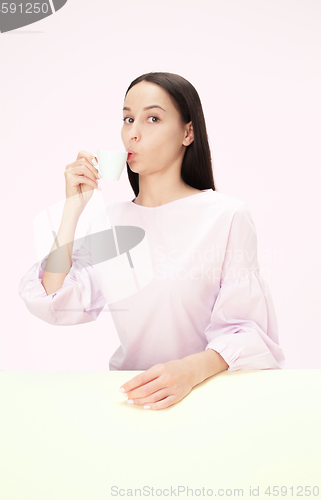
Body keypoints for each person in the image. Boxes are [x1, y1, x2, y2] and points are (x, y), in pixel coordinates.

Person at [19, 72, 285, 411]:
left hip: (207, 400)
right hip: (132, 401)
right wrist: (73, 209)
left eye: (153, 118)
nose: (133, 132)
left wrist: (188, 371)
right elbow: (53, 300)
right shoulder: (110, 221)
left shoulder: (226, 216)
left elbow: (250, 332)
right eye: (128, 118)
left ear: (188, 132)